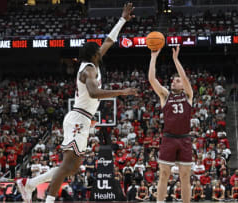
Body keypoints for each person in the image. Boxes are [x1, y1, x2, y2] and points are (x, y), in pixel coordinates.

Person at [16, 3, 138, 203]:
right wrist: (121, 91)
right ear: (93, 55)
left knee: (72, 168)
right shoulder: (88, 71)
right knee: (66, 167)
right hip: (78, 118)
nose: (101, 51)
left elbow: (109, 40)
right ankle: (46, 199)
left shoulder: (93, 63)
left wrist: (122, 19)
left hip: (82, 119)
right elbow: (94, 92)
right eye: (98, 51)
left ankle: (29, 183)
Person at [149, 46, 194, 203]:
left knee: (185, 176)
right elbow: (152, 80)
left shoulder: (188, 95)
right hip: (168, 138)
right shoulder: (165, 96)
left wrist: (176, 60)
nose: (173, 81)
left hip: (185, 138)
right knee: (163, 174)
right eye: (173, 80)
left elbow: (185, 79)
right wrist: (153, 56)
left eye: (177, 80)